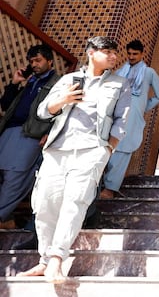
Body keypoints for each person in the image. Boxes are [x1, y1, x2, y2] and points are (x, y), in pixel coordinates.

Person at [18, 37, 131, 283]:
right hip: (58, 148)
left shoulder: (120, 84)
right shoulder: (68, 80)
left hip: (92, 150)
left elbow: (122, 122)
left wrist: (107, 150)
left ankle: (58, 258)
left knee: (75, 202)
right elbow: (42, 111)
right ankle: (45, 260)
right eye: (107, 52)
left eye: (115, 53)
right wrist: (62, 100)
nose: (113, 57)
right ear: (91, 53)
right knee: (45, 204)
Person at [0, 45, 59, 229]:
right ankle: (7, 219)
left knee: (16, 176)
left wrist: (50, 132)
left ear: (49, 61)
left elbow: (63, 111)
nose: (34, 64)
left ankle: (1, 216)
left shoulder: (58, 83)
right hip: (9, 131)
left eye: (38, 60)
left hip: (31, 135)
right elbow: (6, 105)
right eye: (32, 61)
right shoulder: (30, 80)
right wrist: (15, 83)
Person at [99, 39, 159, 199]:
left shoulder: (149, 73)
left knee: (123, 150)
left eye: (135, 54)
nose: (132, 56)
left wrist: (143, 108)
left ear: (142, 54)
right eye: (129, 53)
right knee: (107, 147)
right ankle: (98, 185)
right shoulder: (121, 71)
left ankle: (110, 189)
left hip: (133, 118)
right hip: (116, 113)